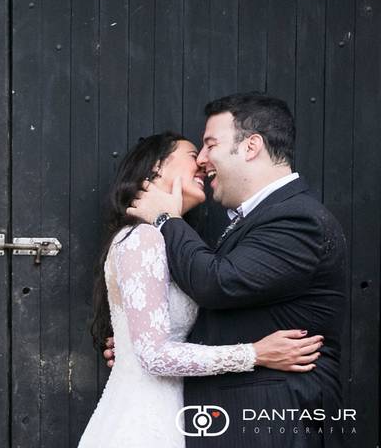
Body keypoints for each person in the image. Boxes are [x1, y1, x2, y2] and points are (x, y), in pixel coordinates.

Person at [123, 93, 348, 447]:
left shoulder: (298, 218)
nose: (202, 159)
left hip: (274, 418)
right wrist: (135, 340)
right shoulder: (261, 218)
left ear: (251, 146)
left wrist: (165, 219)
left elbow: (217, 284)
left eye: (211, 144)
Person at [78, 131, 323, 448]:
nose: (203, 164)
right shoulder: (143, 239)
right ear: (156, 167)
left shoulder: (167, 242)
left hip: (177, 413)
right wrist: (256, 354)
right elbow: (154, 355)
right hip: (143, 422)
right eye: (193, 155)